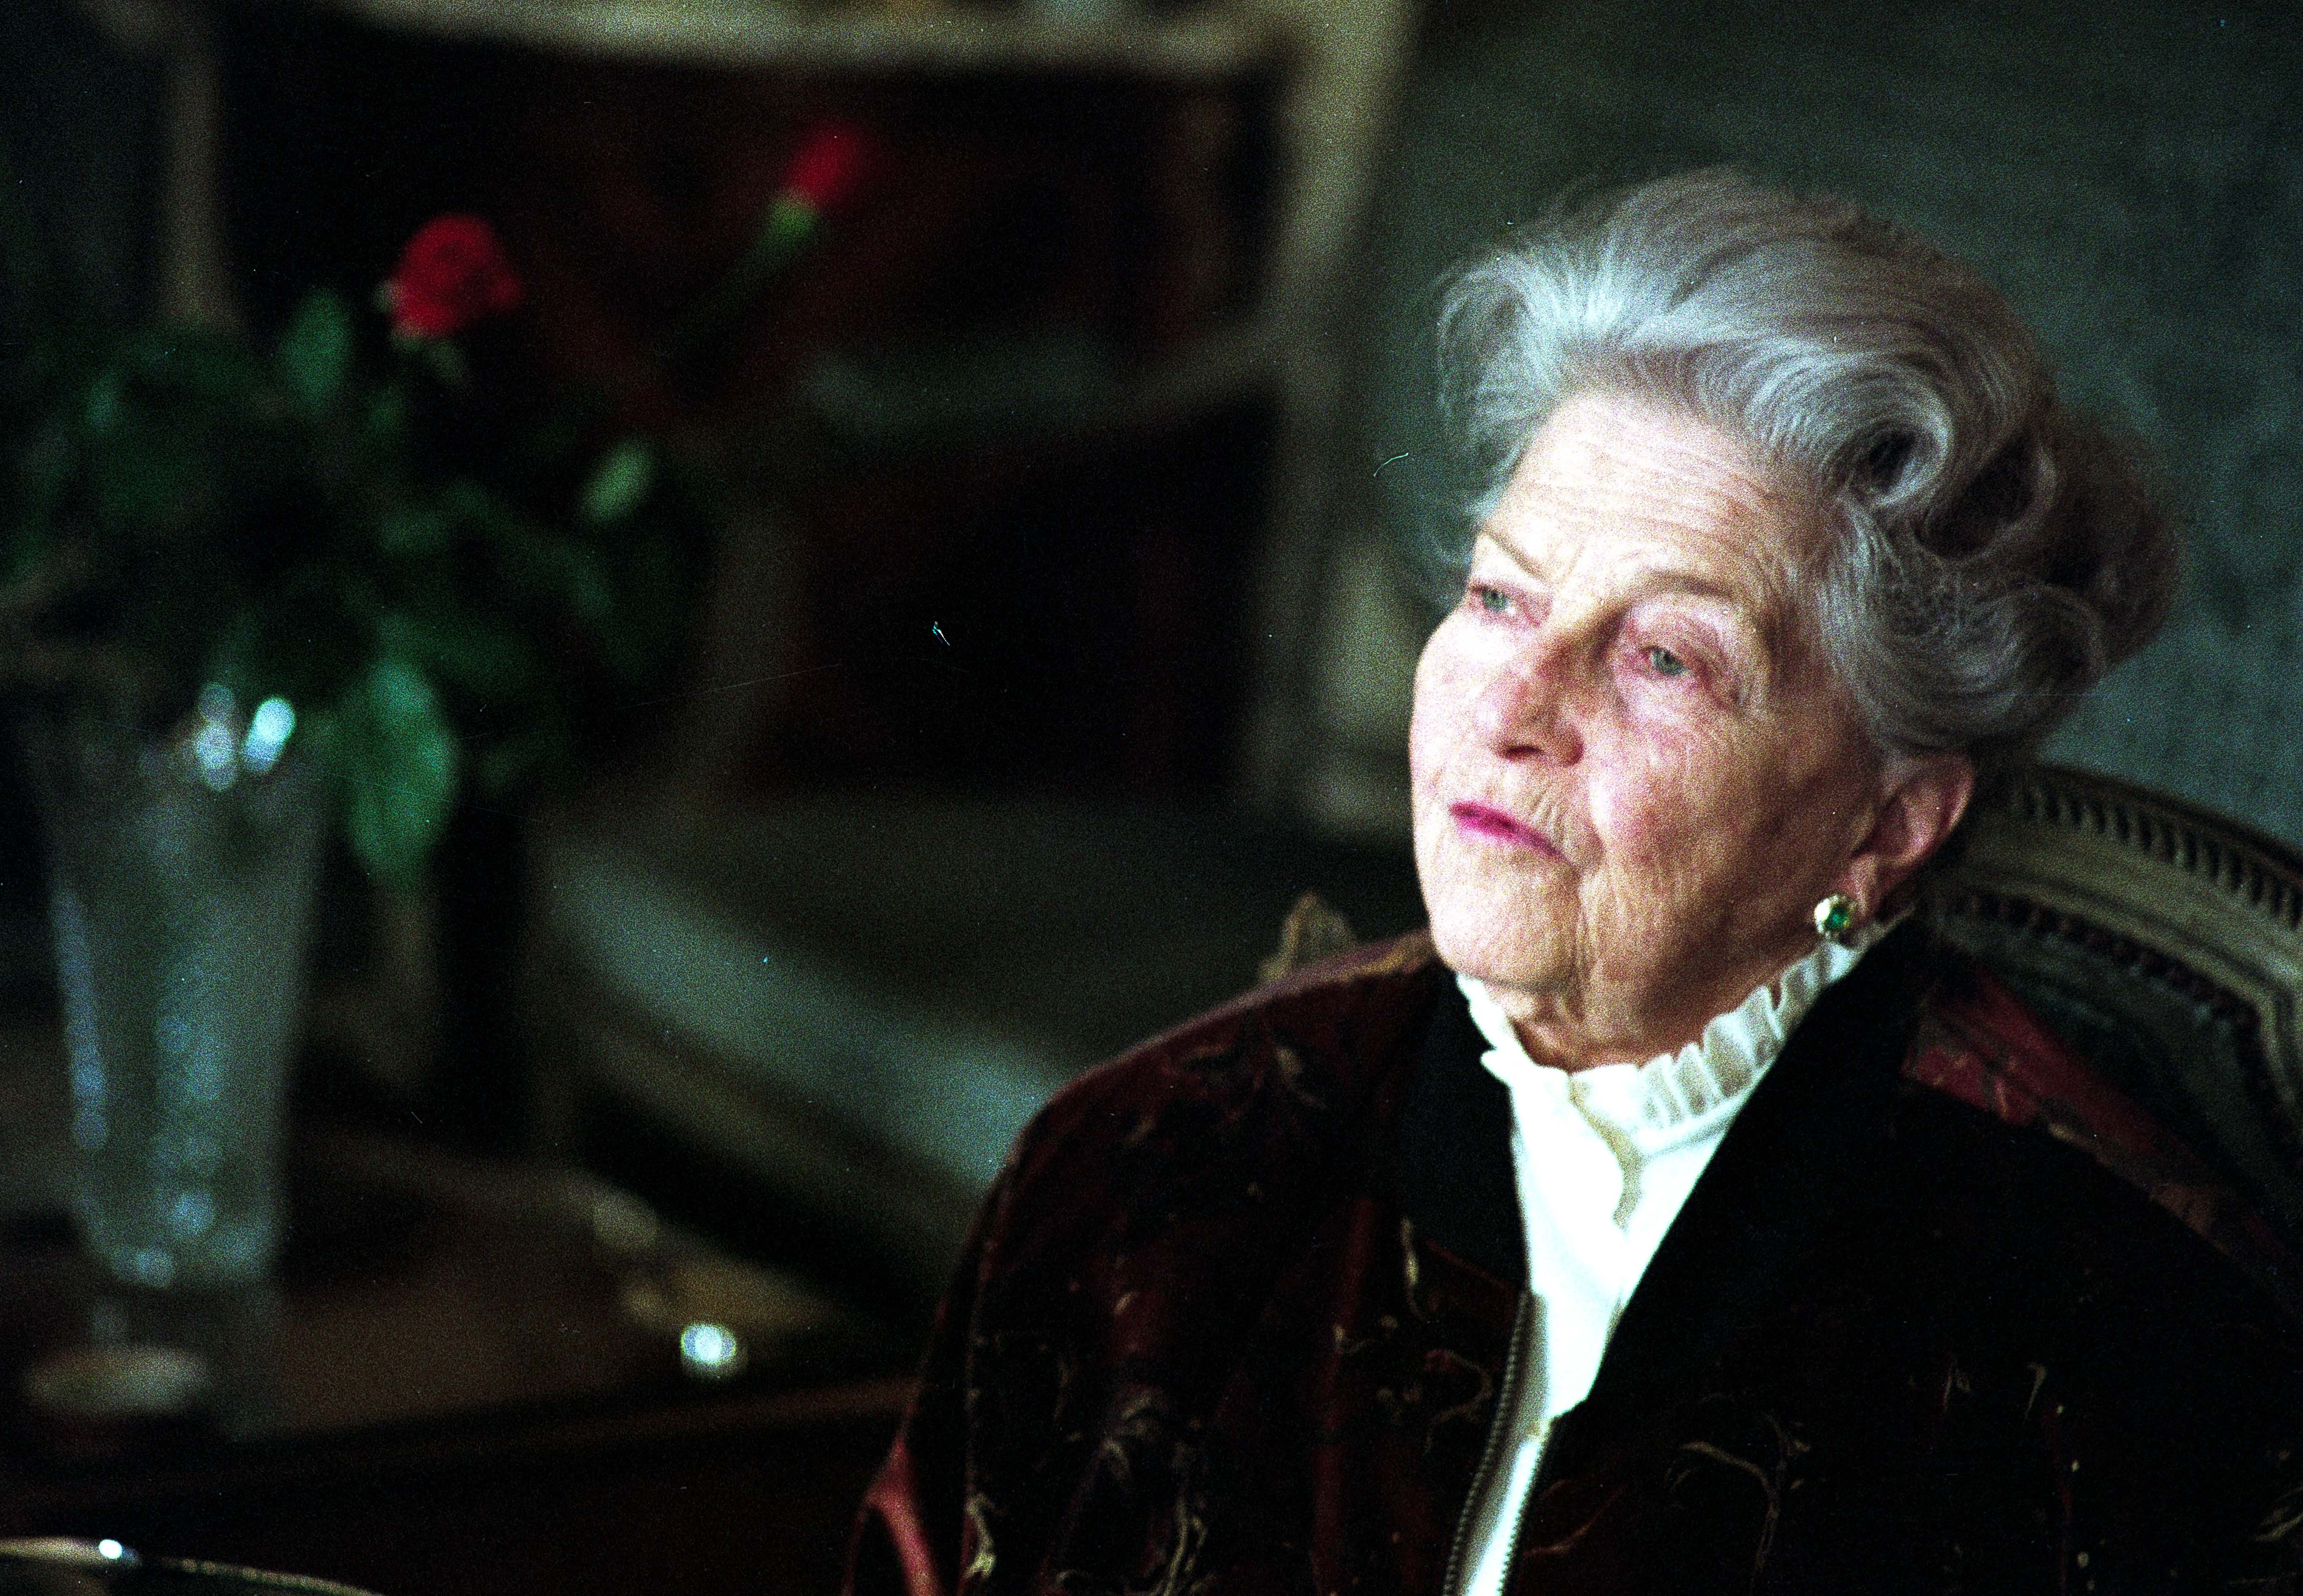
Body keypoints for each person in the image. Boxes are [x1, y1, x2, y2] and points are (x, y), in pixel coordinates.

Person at [847, 172, 2303, 1594]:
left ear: (1888, 819)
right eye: (1500, 596)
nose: (1513, 704)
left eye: (1663, 656)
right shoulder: (1136, 1168)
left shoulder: (2116, 1360)